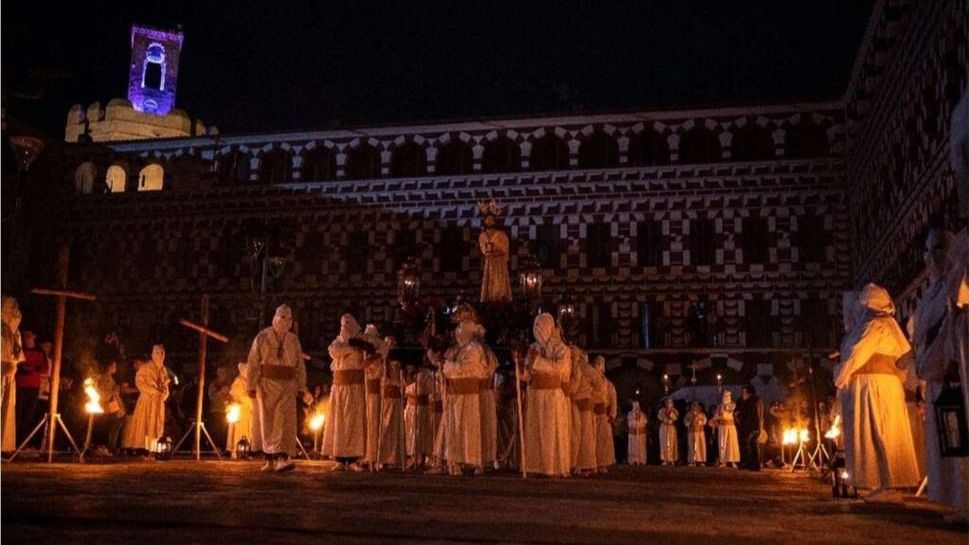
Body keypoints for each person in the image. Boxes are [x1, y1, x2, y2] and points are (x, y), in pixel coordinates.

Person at [836, 283, 920, 502]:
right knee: (880, 434)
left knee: (881, 433)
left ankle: (889, 484)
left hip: (875, 386)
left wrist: (841, 376)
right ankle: (884, 482)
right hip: (882, 385)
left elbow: (856, 353)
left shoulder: (875, 324)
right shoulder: (887, 324)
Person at [246, 305, 311, 473]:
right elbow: (253, 362)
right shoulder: (262, 337)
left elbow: (299, 365)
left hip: (287, 386)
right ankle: (269, 458)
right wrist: (251, 385)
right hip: (267, 385)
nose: (285, 322)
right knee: (267, 421)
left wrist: (301, 386)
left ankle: (282, 458)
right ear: (275, 317)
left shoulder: (293, 340)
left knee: (283, 421)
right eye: (282, 318)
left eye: (289, 319)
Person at [523, 313, 572, 477]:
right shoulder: (532, 348)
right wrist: (520, 367)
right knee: (536, 430)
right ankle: (536, 465)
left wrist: (538, 363)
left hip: (552, 395)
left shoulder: (561, 349)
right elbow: (527, 374)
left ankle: (553, 467)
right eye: (535, 325)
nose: (538, 329)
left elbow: (560, 368)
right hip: (536, 394)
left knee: (550, 431)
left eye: (541, 325)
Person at [323, 314, 369, 471]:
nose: (345, 327)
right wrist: (352, 346)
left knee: (354, 422)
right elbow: (334, 351)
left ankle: (354, 458)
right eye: (343, 325)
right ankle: (340, 458)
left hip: (355, 388)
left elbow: (375, 348)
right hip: (339, 389)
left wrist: (361, 346)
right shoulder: (338, 342)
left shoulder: (362, 341)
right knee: (339, 422)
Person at [442, 320, 487, 475]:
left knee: (469, 428)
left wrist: (450, 367)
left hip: (468, 396)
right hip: (456, 395)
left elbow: (464, 369)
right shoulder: (458, 349)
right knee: (456, 428)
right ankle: (456, 460)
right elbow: (447, 369)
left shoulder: (474, 349)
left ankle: (472, 460)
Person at [122, 344, 170, 456]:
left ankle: (154, 447)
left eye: (162, 353)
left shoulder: (163, 369)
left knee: (156, 424)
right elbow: (139, 382)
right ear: (153, 354)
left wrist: (164, 394)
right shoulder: (145, 367)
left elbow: (165, 385)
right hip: (147, 401)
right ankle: (142, 448)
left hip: (158, 402)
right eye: (157, 353)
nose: (160, 355)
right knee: (145, 424)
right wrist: (152, 391)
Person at [362, 324, 387, 470]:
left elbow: (383, 351)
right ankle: (365, 454)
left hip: (375, 394)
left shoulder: (379, 351)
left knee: (375, 423)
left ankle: (376, 455)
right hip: (364, 392)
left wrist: (375, 356)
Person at [569, 346, 597, 475]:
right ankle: (574, 463)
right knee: (574, 436)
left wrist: (590, 394)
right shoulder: (571, 367)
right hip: (573, 405)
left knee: (585, 437)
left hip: (584, 407)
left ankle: (587, 464)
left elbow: (599, 384)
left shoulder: (586, 369)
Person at [1, 297, 24, 453]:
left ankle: (4, 445)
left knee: (7, 408)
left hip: (9, 374)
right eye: (11, 308)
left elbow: (17, 353)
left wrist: (13, 362)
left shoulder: (15, 332)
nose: (15, 312)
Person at [477, 200, 512, 303]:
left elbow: (505, 248)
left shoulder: (501, 235)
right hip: (490, 262)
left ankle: (500, 297)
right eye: (488, 219)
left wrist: (497, 252)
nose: (489, 221)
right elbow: (484, 249)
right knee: (490, 281)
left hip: (499, 262)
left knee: (499, 281)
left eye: (491, 219)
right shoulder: (483, 235)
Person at [16, 331, 46, 443]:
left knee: (28, 417)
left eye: (29, 335)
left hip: (33, 387)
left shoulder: (39, 351)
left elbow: (44, 368)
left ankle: (24, 442)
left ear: (34, 336)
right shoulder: (19, 349)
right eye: (24, 336)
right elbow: (17, 364)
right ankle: (13, 441)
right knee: (17, 415)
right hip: (20, 386)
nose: (26, 338)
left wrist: (30, 368)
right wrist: (25, 368)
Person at [404, 363, 434, 470]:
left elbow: (423, 389)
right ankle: (413, 456)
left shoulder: (425, 373)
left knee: (420, 432)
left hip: (422, 408)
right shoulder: (407, 372)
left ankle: (421, 456)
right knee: (411, 433)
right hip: (411, 407)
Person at [590, 355, 616, 473]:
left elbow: (613, 399)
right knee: (591, 439)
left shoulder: (607, 384)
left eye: (600, 364)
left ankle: (602, 463)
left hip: (602, 414)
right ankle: (591, 463)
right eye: (596, 363)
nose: (598, 366)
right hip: (591, 413)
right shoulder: (589, 381)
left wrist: (612, 414)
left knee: (602, 440)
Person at [226, 362, 257, 457]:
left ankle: (246, 451)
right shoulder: (238, 381)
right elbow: (236, 396)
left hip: (248, 413)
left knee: (248, 432)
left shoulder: (249, 382)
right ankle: (236, 450)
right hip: (241, 412)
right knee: (239, 432)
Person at [95, 360, 126, 455]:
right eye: (114, 366)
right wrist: (114, 392)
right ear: (109, 367)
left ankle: (112, 446)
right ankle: (111, 447)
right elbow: (105, 394)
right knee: (116, 423)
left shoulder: (109, 378)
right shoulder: (105, 378)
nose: (115, 368)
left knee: (117, 424)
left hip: (114, 404)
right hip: (111, 404)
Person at [736, 385, 764, 471]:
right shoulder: (759, 400)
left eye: (743, 392)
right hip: (757, 426)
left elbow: (745, 413)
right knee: (754, 444)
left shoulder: (748, 401)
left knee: (747, 444)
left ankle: (750, 463)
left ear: (747, 392)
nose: (742, 394)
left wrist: (738, 415)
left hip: (749, 426)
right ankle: (755, 464)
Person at [714, 390, 740, 468]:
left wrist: (725, 409)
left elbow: (729, 409)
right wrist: (718, 418)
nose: (726, 397)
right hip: (722, 427)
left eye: (728, 396)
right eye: (725, 396)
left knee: (731, 443)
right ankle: (723, 461)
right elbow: (716, 416)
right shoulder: (719, 406)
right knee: (722, 443)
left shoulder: (732, 404)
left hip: (731, 427)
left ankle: (732, 461)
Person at [684, 401, 708, 466]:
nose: (695, 407)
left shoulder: (702, 414)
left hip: (700, 433)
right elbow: (685, 422)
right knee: (692, 446)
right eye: (693, 405)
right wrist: (690, 423)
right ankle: (692, 460)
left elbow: (705, 421)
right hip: (691, 432)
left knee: (700, 446)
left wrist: (699, 422)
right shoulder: (688, 414)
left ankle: (701, 460)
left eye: (696, 405)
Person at [658, 398, 679, 466]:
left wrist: (670, 413)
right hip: (664, 428)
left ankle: (671, 459)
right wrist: (665, 418)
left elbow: (675, 418)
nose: (668, 404)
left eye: (670, 403)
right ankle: (664, 459)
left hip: (671, 428)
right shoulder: (661, 410)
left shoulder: (675, 411)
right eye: (667, 403)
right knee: (664, 443)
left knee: (672, 443)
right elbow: (659, 417)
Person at [627, 401, 647, 465]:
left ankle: (641, 460)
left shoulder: (643, 414)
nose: (636, 409)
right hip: (633, 435)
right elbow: (630, 423)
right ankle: (633, 460)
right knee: (633, 447)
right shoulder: (630, 414)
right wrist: (635, 419)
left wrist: (639, 418)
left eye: (637, 407)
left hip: (641, 435)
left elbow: (644, 422)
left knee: (641, 447)